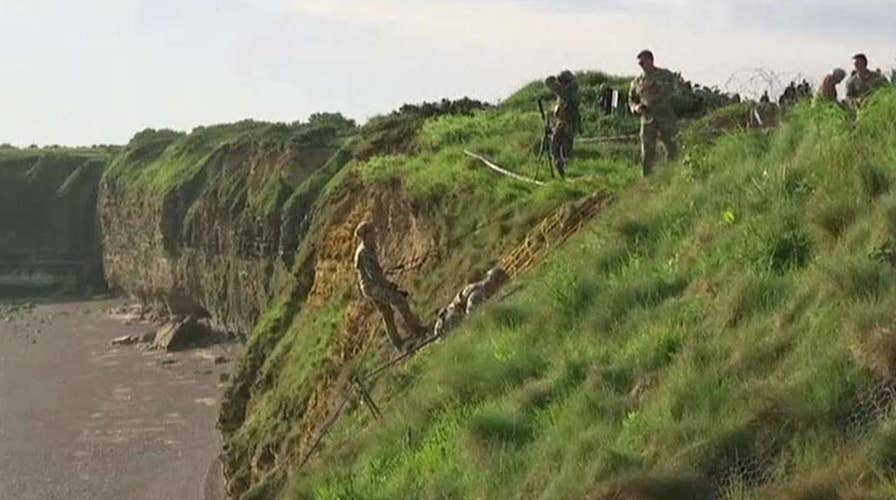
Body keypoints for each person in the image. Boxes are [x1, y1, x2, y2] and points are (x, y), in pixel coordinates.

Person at [354, 222, 425, 351]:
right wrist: (389, 286)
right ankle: (416, 330)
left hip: (370, 286)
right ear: (366, 235)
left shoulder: (367, 248)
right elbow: (374, 275)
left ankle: (398, 343)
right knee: (400, 301)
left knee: (387, 313)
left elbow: (375, 271)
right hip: (372, 288)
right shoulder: (364, 252)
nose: (374, 234)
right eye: (372, 232)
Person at [628, 50, 679, 176]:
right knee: (647, 151)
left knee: (672, 147)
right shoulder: (637, 81)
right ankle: (647, 178)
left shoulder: (665, 75)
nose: (642, 66)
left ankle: (672, 175)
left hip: (665, 116)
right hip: (647, 119)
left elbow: (672, 90)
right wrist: (636, 108)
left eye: (643, 62)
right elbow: (631, 100)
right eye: (640, 64)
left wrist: (656, 92)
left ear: (651, 60)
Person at [433, 268, 509, 338]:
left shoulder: (482, 289)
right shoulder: (479, 294)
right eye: (502, 284)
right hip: (449, 322)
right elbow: (471, 316)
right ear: (496, 282)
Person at [544, 70, 581, 179]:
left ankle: (563, 168)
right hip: (565, 123)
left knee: (560, 147)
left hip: (566, 123)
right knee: (559, 147)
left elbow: (550, 83)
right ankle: (562, 168)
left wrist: (554, 81)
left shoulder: (568, 92)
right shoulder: (572, 92)